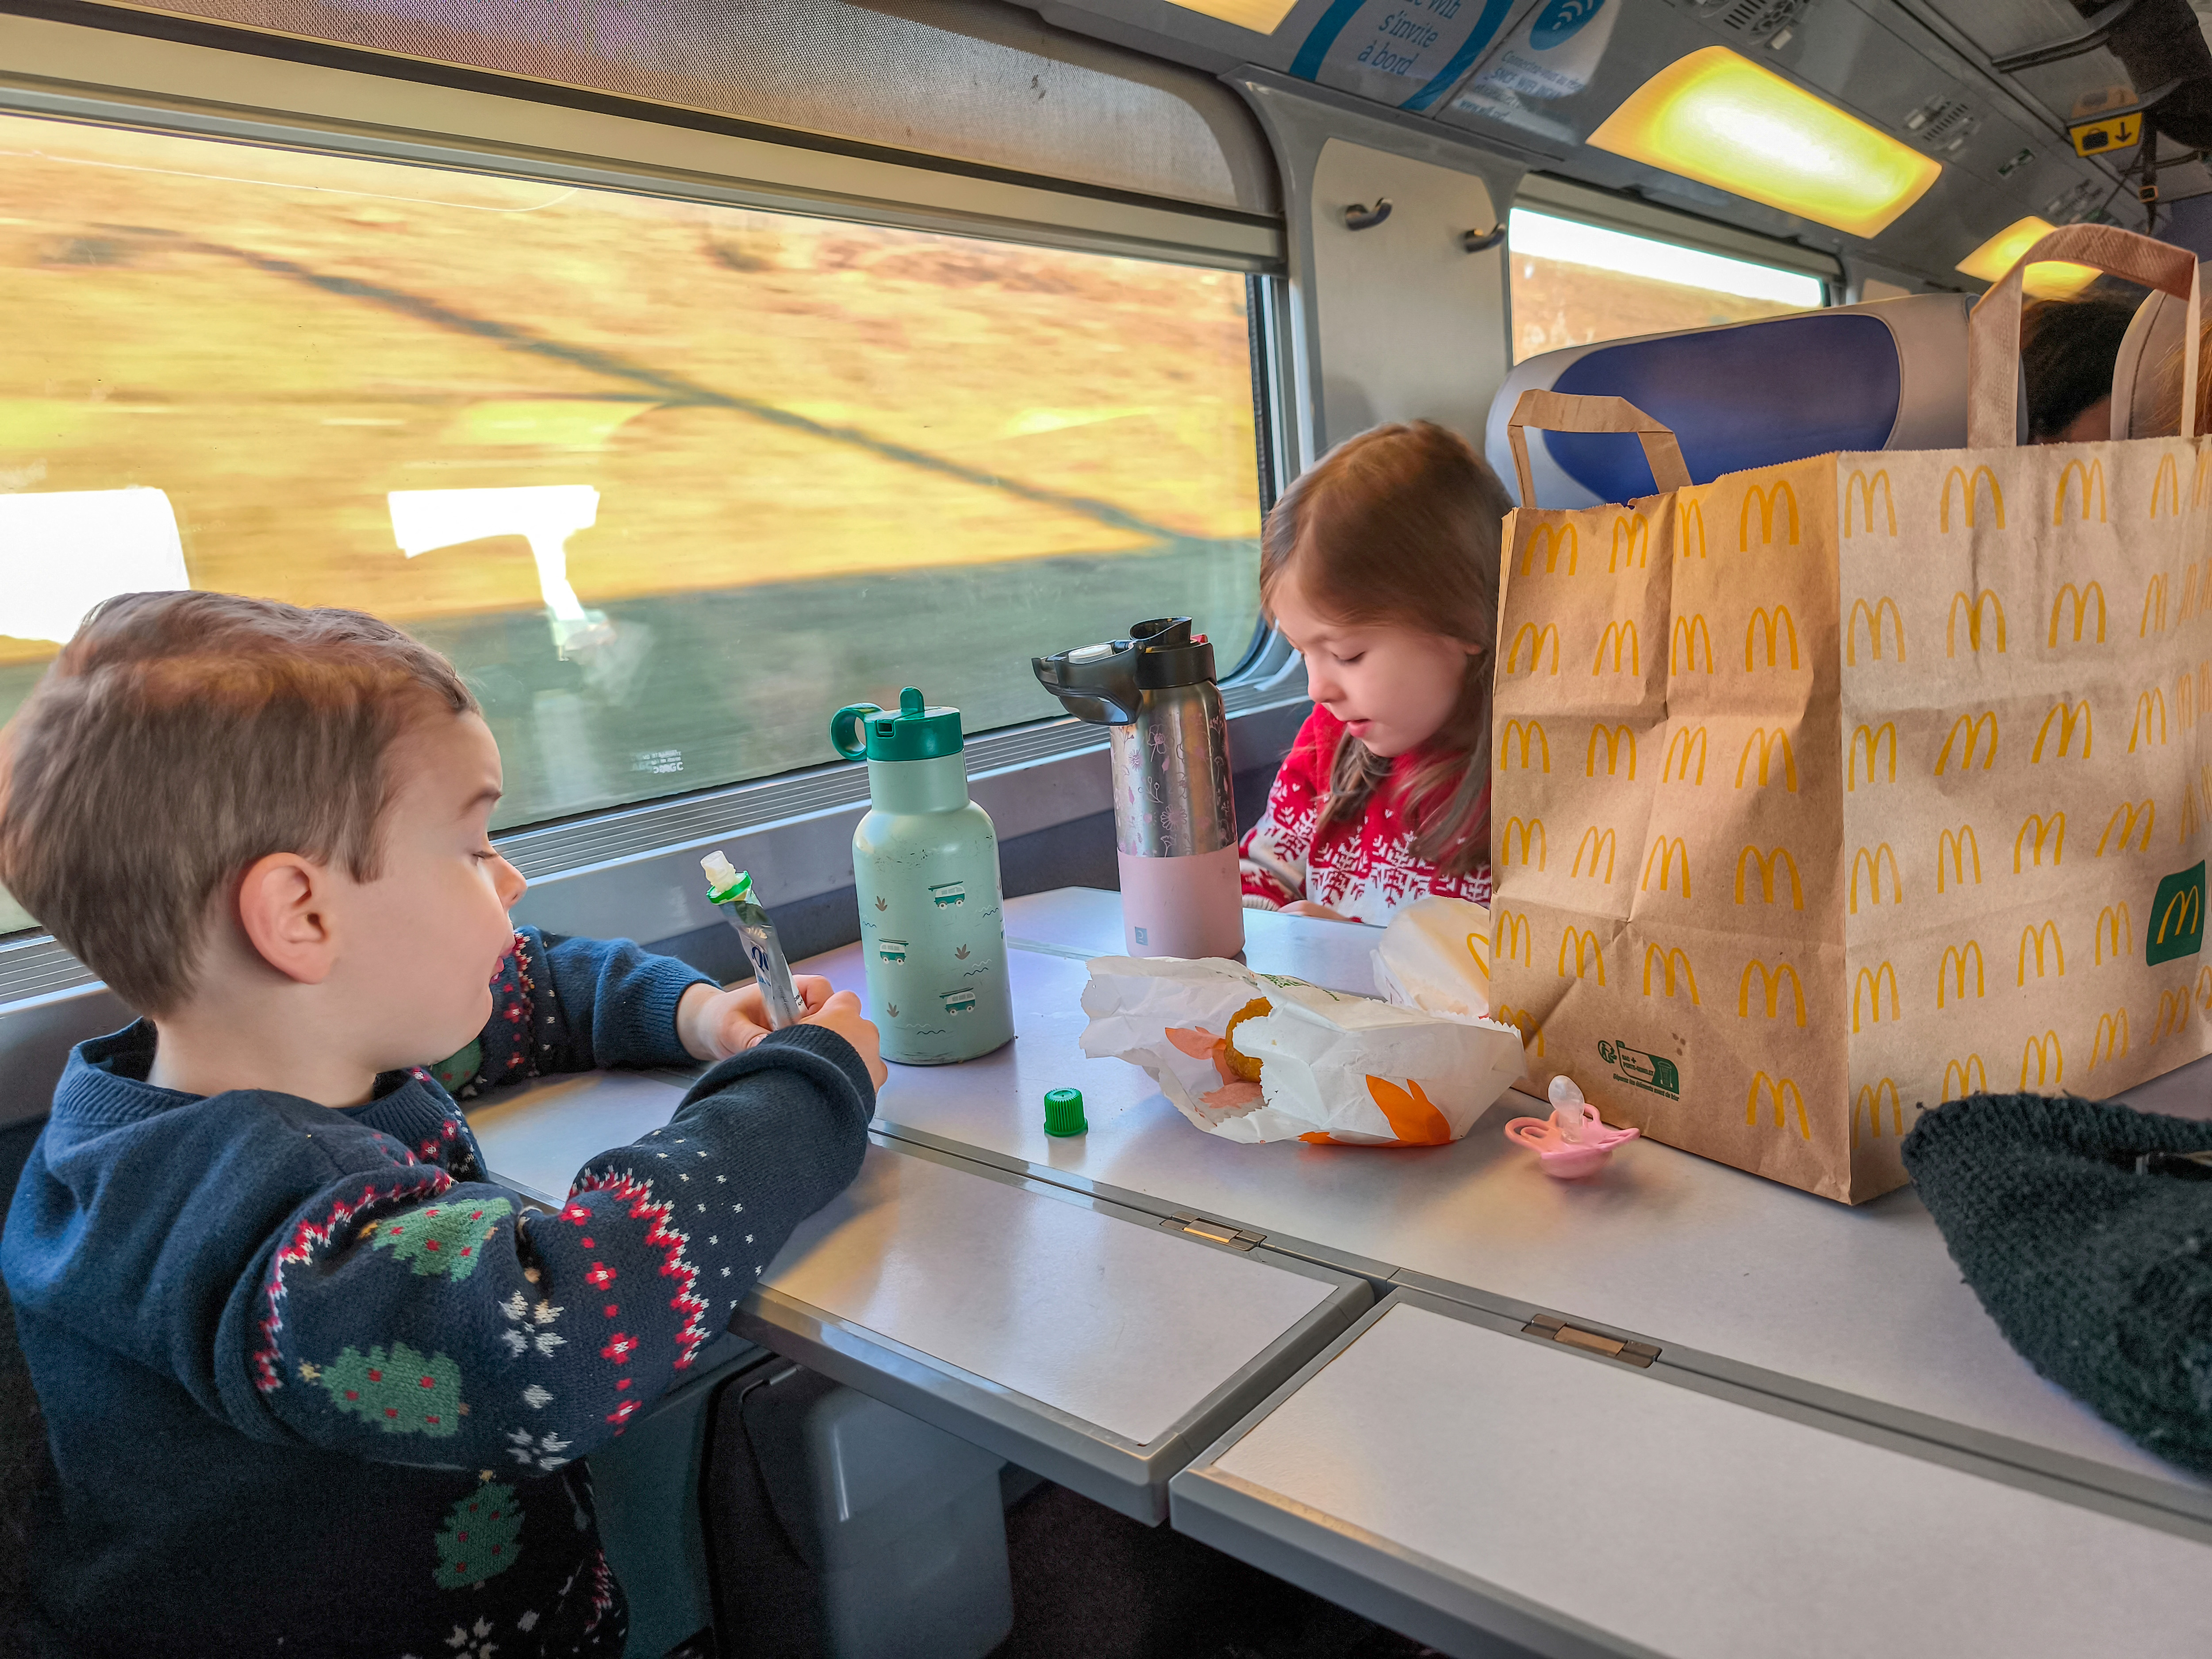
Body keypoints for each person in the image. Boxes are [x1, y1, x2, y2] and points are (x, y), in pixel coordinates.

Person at [0, 592, 886, 1657]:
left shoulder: (247, 1056)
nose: (509, 874)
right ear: (301, 916)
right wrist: (807, 1085)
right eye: (472, 847)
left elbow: (528, 990)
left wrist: (696, 1013)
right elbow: (559, 1329)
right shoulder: (257, 1227)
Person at [1238, 420, 1511, 924]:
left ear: (1465, 624)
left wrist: (1352, 949)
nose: (1317, 689)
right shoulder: (1328, 743)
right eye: (1301, 652)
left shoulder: (1530, 771)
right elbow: (1262, 868)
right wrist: (1271, 928)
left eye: (1347, 655)